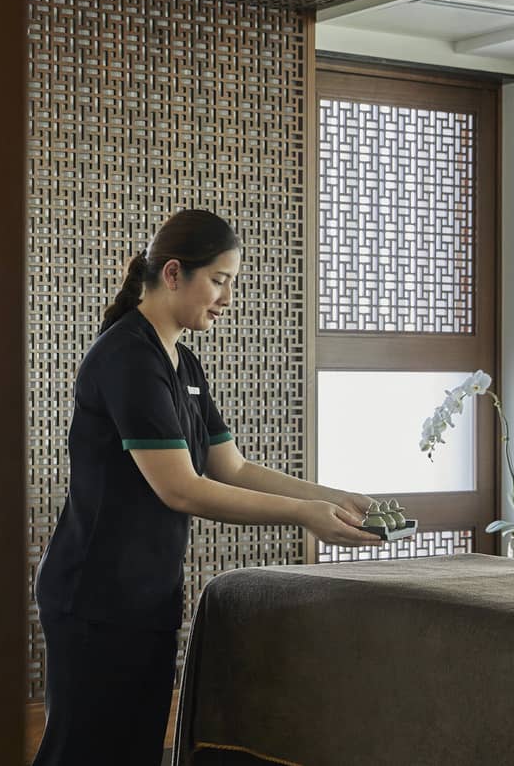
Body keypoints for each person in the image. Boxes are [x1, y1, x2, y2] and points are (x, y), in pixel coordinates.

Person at [31, 209, 383, 766]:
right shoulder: (127, 356)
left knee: (134, 753)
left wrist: (330, 498)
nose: (227, 298)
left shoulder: (184, 363)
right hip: (96, 597)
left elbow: (232, 468)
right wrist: (302, 515)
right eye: (219, 281)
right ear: (174, 274)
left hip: (148, 594)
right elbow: (182, 489)